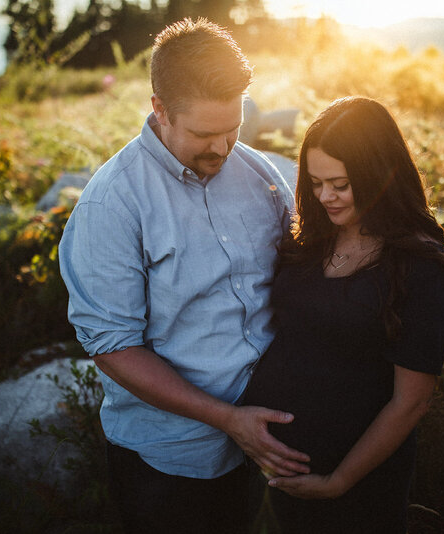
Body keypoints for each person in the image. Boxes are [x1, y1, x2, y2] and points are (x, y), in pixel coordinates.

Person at [58, 18, 310, 534]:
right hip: (167, 458)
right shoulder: (113, 203)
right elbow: (114, 347)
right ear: (159, 109)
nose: (222, 149)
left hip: (267, 444)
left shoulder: (260, 173)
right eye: (202, 134)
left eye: (232, 128)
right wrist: (227, 420)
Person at [241, 96, 444, 533]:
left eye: (340, 184)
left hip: (357, 484)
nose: (324, 196)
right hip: (274, 474)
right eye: (314, 182)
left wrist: (338, 481)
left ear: (377, 175)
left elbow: (412, 400)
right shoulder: (309, 241)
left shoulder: (418, 266)